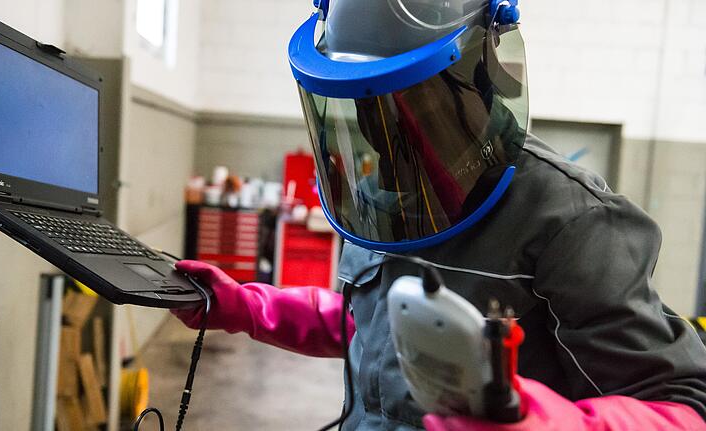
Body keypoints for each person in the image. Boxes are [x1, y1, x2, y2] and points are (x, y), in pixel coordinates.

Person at [174, 0, 706, 429]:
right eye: (369, 105)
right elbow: (365, 324)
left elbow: (683, 403)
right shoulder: (378, 201)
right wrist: (244, 305)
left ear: (485, 73)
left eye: (416, 100)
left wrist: (558, 423)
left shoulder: (569, 221)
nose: (385, 128)